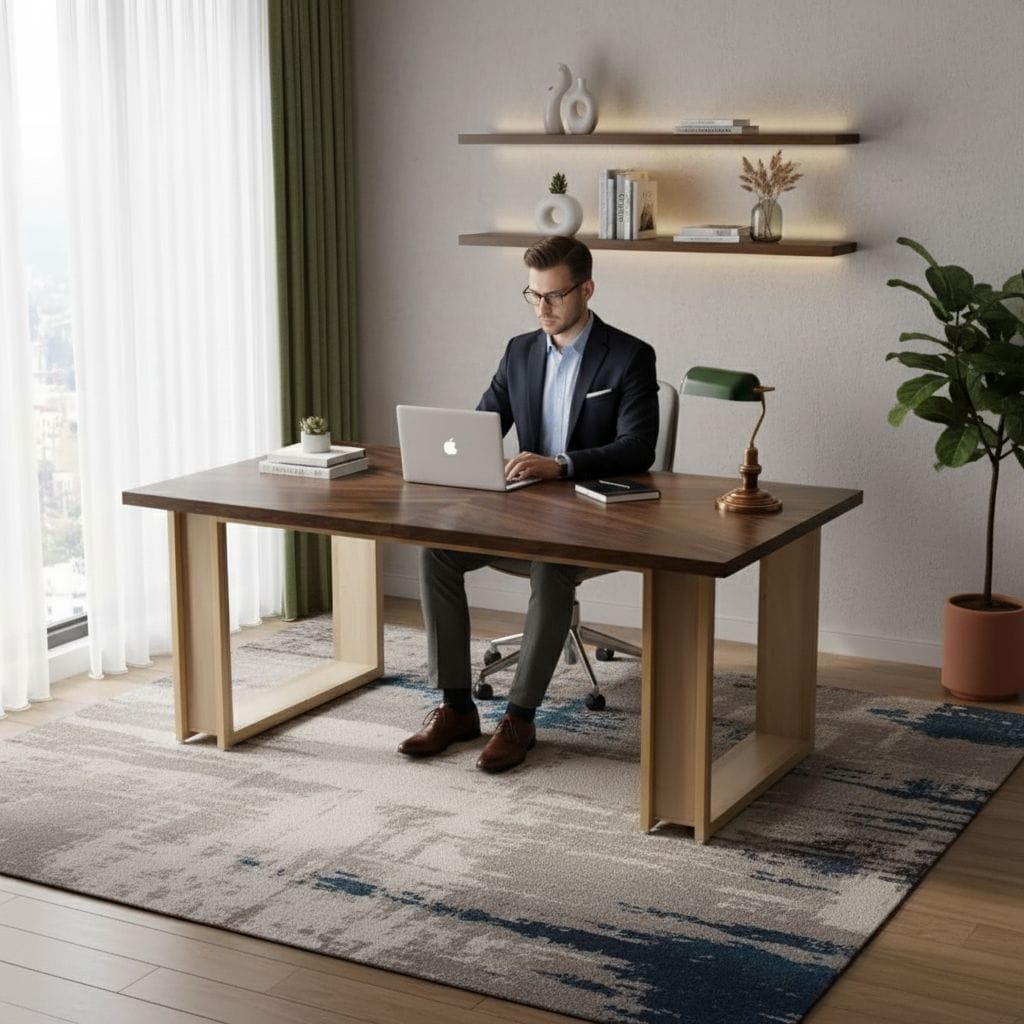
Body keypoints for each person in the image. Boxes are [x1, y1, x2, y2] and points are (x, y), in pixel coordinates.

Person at [398, 235, 659, 773]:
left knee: (552, 566)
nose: (543, 308)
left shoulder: (630, 355)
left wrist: (560, 464)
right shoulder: (519, 351)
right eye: (533, 295)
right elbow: (482, 423)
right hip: (525, 510)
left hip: (593, 516)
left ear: (586, 289)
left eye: (555, 296)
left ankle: (519, 717)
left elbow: (638, 447)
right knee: (436, 551)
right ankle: (454, 706)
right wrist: (456, 458)